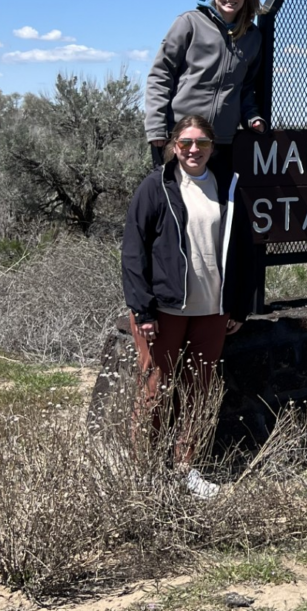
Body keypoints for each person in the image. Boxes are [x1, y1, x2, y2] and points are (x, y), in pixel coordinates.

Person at [121, 115, 254, 497]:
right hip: (164, 310)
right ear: (173, 146)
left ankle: (185, 468)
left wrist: (239, 306)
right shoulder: (155, 186)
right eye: (185, 143)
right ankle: (144, 471)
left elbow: (244, 252)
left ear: (213, 147)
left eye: (202, 143)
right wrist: (143, 311)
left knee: (199, 391)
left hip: (212, 309)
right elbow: (134, 252)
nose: (194, 150)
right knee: (155, 390)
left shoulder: (227, 186)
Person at [144, 0, 267, 171]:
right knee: (174, 200)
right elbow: (160, 75)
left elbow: (246, 87)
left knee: (214, 202)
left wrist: (251, 116)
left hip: (221, 141)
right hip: (181, 135)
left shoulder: (252, 37)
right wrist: (156, 127)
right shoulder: (190, 22)